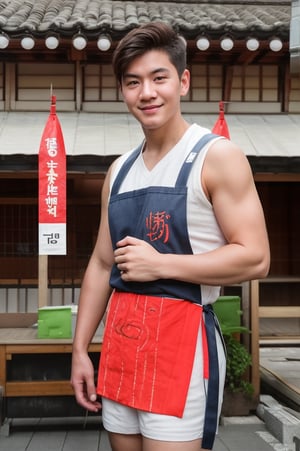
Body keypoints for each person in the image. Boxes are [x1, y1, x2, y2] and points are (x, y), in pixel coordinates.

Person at [71, 22, 270, 451]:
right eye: (133, 82)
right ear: (123, 91)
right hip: (122, 340)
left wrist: (159, 264)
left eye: (159, 78)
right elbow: (103, 263)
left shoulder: (216, 156)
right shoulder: (118, 170)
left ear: (182, 81)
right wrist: (80, 349)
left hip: (183, 341)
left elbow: (255, 257)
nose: (147, 92)